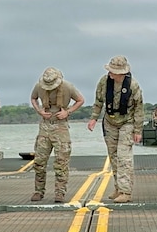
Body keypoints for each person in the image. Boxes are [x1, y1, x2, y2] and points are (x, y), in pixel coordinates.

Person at [86, 55, 144, 203]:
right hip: (110, 122)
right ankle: (118, 187)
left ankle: (126, 191)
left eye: (114, 72)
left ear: (122, 73)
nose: (110, 74)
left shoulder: (133, 86)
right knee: (114, 156)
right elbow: (98, 101)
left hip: (127, 122)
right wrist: (94, 118)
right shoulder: (104, 82)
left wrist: (138, 130)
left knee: (124, 157)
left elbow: (139, 109)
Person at [29, 67, 85, 203]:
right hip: (45, 126)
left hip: (61, 127)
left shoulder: (68, 87)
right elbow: (33, 98)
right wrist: (39, 111)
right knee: (39, 161)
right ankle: (38, 191)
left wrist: (68, 112)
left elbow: (80, 100)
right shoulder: (38, 86)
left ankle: (60, 192)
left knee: (61, 162)